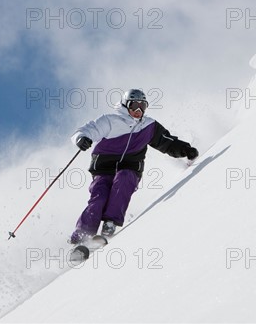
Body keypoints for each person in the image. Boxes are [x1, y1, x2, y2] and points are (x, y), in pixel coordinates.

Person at [68, 89, 199, 244]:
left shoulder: (148, 126)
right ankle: (81, 237)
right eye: (134, 105)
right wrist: (81, 138)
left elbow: (167, 141)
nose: (138, 110)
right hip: (104, 167)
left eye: (142, 106)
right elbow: (88, 130)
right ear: (125, 105)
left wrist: (186, 150)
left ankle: (110, 224)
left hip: (130, 167)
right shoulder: (110, 121)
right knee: (99, 197)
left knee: (123, 180)